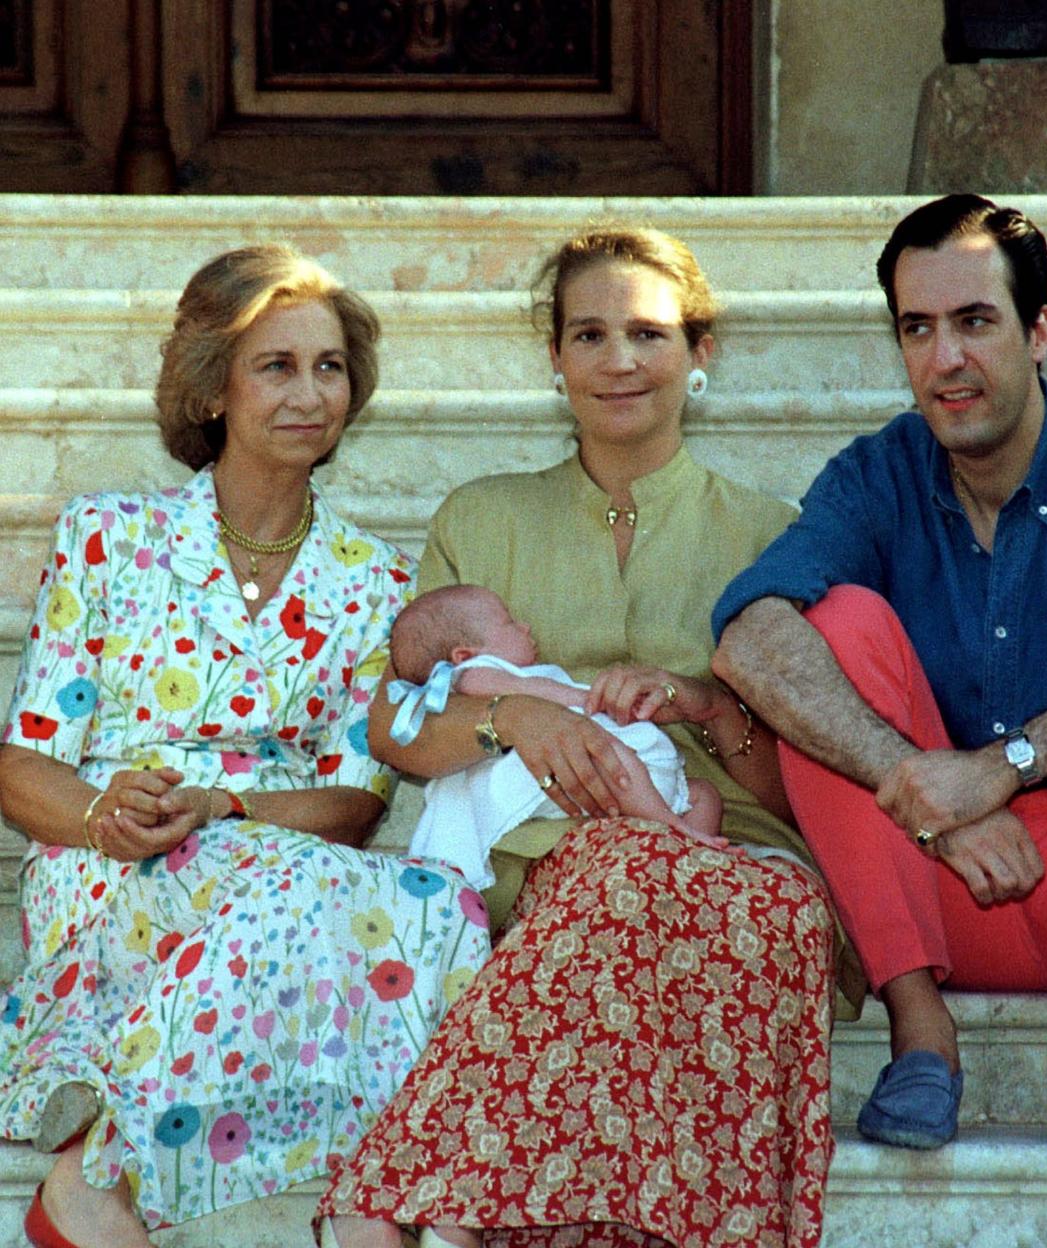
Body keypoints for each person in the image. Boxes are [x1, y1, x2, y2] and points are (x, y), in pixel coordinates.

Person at [318, 226, 853, 1248]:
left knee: (687, 885)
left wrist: (707, 705)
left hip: (734, 853)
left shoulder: (776, 533)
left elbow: (810, 792)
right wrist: (512, 715)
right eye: (590, 334)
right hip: (542, 860)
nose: (619, 361)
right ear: (554, 357)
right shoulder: (481, 520)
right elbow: (394, 726)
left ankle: (393, 1198)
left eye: (648, 333)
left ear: (701, 353)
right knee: (610, 871)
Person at [711, 193, 1047, 1166]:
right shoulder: (878, 475)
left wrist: (1005, 765)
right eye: (918, 328)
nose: (945, 358)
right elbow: (748, 639)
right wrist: (934, 793)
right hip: (946, 905)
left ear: (1038, 331)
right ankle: (920, 1032)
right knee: (830, 628)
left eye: (975, 322)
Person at [0, 244, 491, 1248]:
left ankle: (339, 1190)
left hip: (271, 862)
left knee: (430, 900)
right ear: (212, 386)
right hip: (111, 859)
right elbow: (23, 763)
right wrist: (107, 815)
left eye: (330, 366)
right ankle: (326, 1208)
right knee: (301, 896)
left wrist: (224, 807)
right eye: (276, 365)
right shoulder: (109, 538)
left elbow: (355, 803)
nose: (312, 392)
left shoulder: (374, 581)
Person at [389, 583, 727, 891]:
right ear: (464, 655)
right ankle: (667, 823)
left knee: (704, 794)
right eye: (510, 624)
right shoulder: (471, 677)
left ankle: (694, 859)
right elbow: (532, 695)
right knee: (611, 756)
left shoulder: (495, 671)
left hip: (597, 766)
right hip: (560, 767)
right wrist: (587, 700)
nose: (525, 627)